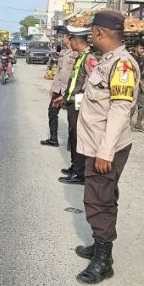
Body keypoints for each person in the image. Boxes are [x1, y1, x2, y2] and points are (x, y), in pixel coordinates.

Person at [74, 10, 140, 285]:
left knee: (98, 200)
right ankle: (98, 245)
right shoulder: (108, 61)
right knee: (102, 197)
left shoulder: (122, 65)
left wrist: (105, 151)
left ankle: (104, 261)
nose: (90, 36)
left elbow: (120, 109)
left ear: (100, 33)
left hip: (105, 147)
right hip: (96, 144)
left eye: (92, 32)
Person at [55, 31, 98, 185]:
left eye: (71, 41)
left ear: (77, 42)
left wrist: (83, 95)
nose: (69, 44)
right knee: (73, 134)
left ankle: (80, 173)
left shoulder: (89, 58)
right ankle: (75, 167)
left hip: (80, 101)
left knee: (79, 136)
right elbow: (74, 81)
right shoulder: (80, 56)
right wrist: (65, 95)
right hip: (73, 100)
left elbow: (94, 81)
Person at [40, 34, 78, 147]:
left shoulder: (78, 53)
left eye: (64, 36)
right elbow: (58, 71)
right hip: (59, 88)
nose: (63, 39)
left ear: (70, 38)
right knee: (52, 112)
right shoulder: (63, 52)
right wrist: (53, 86)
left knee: (73, 118)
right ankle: (53, 139)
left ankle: (72, 144)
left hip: (72, 90)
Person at [130, 40, 144, 133]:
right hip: (131, 85)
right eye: (141, 48)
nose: (142, 50)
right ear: (135, 48)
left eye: (143, 48)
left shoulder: (142, 57)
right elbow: (132, 73)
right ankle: (124, 126)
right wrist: (140, 82)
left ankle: (138, 124)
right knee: (131, 107)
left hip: (138, 86)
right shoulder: (131, 58)